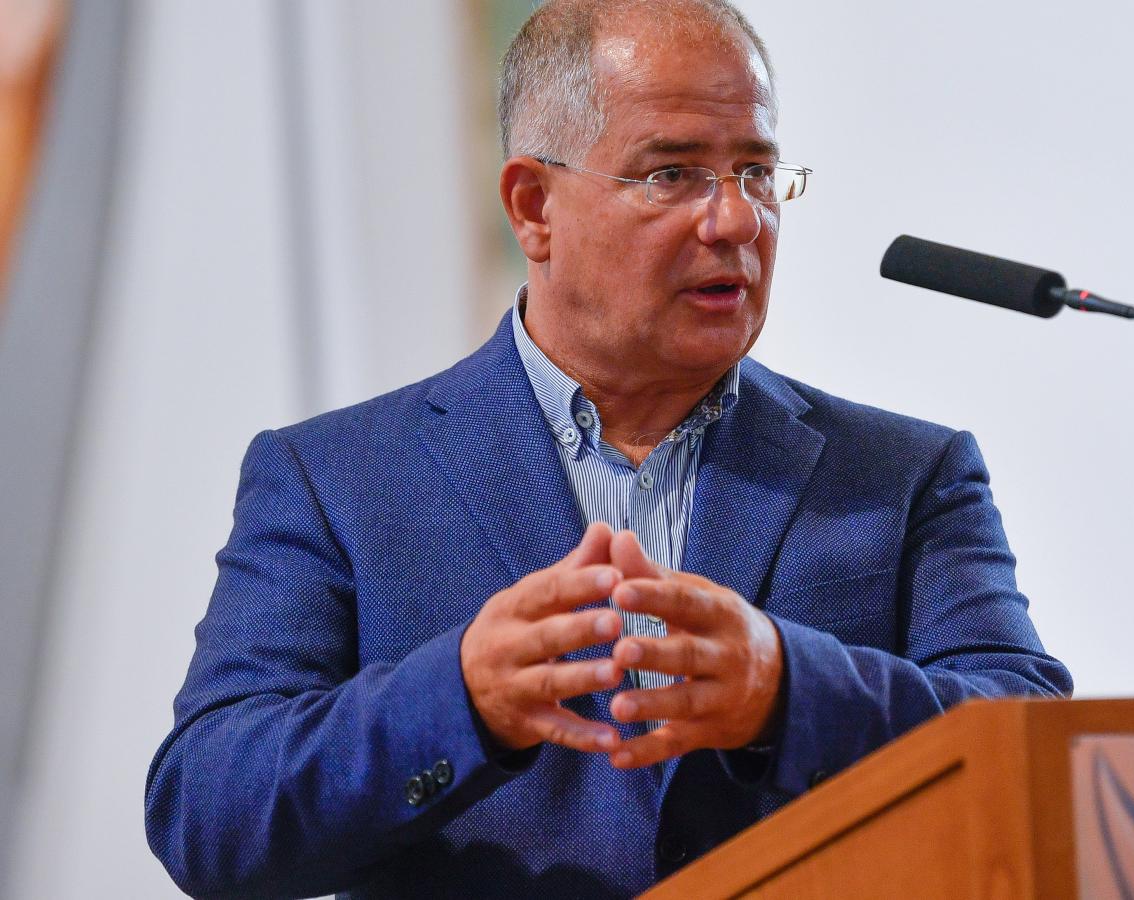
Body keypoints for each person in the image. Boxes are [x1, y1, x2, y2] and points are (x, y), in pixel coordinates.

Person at [144, 1, 1071, 897]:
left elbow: (1036, 747)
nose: (737, 221)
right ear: (533, 206)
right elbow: (209, 811)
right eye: (673, 174)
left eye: (756, 172)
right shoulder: (336, 479)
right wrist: (460, 702)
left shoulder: (903, 476)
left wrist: (788, 693)